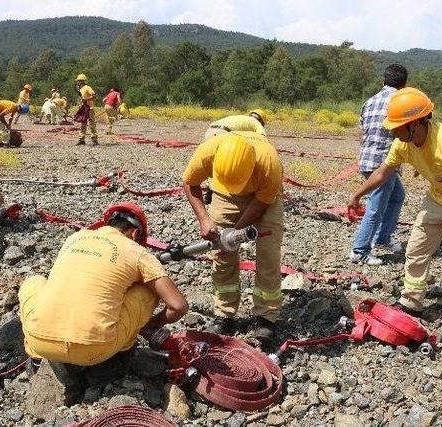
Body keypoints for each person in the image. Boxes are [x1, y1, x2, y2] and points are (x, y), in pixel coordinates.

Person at [348, 88, 442, 354]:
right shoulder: (403, 143)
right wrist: (358, 194)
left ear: (415, 124)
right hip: (435, 201)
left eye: (396, 127)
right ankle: (411, 302)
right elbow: (384, 171)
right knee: (415, 251)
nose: (391, 132)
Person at [18, 202, 188, 394]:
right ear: (134, 234)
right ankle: (121, 353)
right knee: (148, 290)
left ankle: (35, 357)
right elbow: (179, 306)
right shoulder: (137, 251)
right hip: (97, 350)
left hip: (39, 342)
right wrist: (147, 325)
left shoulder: (75, 238)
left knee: (34, 281)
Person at [182, 132, 283, 346]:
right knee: (221, 254)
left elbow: (262, 202)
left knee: (268, 256)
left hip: (264, 197)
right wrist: (204, 220)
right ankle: (224, 313)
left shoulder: (269, 164)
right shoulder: (206, 153)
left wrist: (235, 232)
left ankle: (266, 317)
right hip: (223, 195)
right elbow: (190, 184)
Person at [350, 64, 408, 266]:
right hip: (384, 164)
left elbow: (362, 132)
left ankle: (383, 238)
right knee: (376, 208)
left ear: (383, 81)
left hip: (366, 158)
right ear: (404, 85)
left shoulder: (369, 102)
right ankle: (360, 249)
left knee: (398, 196)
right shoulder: (399, 102)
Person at [74, 74, 98, 146]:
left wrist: (86, 99)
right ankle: (81, 140)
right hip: (83, 108)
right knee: (83, 124)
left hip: (89, 108)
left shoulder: (87, 87)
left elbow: (94, 96)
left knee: (92, 124)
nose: (77, 82)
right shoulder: (80, 89)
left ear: (81, 81)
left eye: (78, 81)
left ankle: (94, 140)